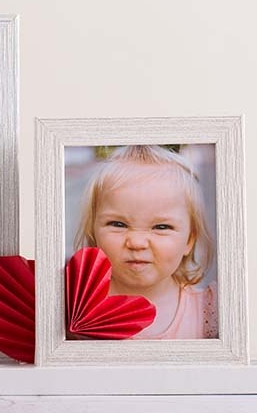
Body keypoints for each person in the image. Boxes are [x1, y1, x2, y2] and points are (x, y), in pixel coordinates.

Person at [74, 145, 218, 339]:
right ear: (93, 231)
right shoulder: (75, 309)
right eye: (118, 224)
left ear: (189, 241)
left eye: (161, 227)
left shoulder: (210, 311)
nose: (137, 242)